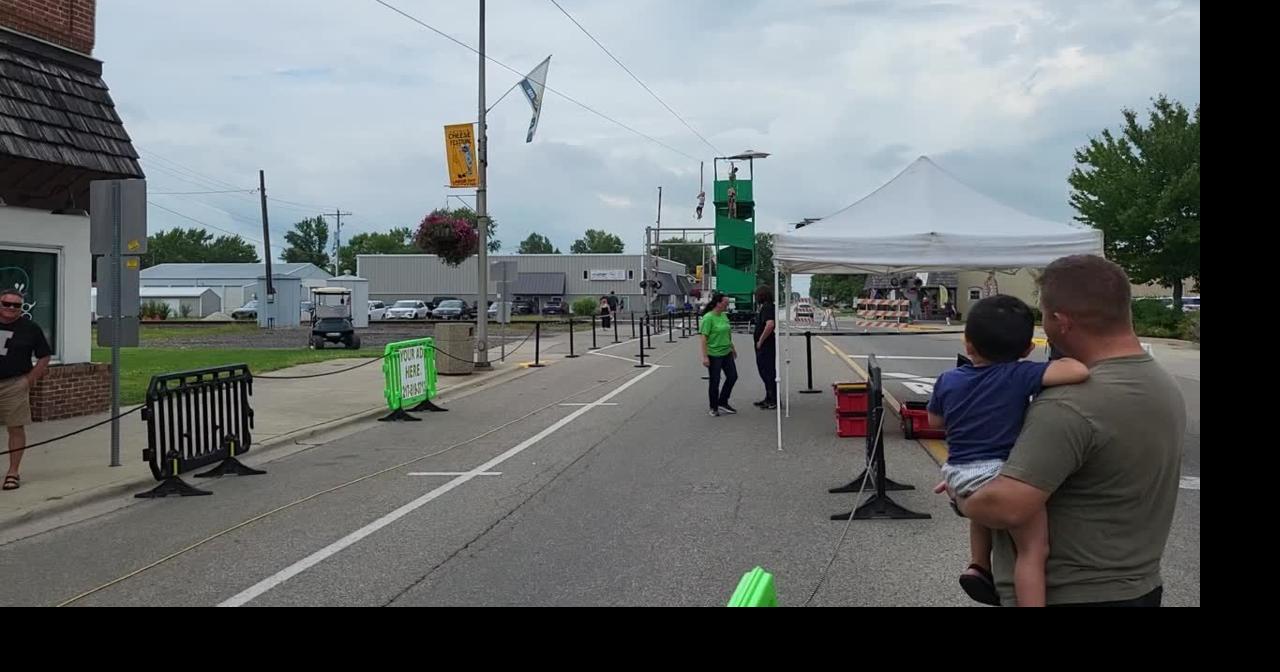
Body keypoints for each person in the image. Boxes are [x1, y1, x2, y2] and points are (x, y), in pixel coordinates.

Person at [951, 255, 1185, 607]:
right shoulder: (1161, 383)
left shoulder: (1068, 404)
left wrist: (960, 495)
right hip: (1141, 588)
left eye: (1043, 315)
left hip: (1069, 593)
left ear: (1061, 321)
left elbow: (1006, 508)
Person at [928, 295, 1090, 606]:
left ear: (968, 344)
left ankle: (978, 565)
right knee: (1032, 551)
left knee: (983, 513)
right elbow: (1077, 371)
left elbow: (935, 421)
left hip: (957, 471)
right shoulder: (1020, 374)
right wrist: (1063, 356)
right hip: (997, 473)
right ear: (1028, 349)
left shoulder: (948, 379)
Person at [0, 288, 52, 492]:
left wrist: (29, 380)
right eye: (6, 303)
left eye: (16, 305)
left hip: (14, 384)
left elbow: (44, 356)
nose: (11, 308)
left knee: (15, 427)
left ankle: (13, 472)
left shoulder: (30, 328)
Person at [699, 293, 738, 417]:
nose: (727, 305)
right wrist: (705, 356)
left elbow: (727, 333)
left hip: (726, 352)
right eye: (725, 303)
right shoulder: (708, 318)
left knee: (732, 376)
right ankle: (713, 406)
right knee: (715, 381)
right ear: (718, 303)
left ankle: (723, 401)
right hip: (714, 353)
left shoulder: (724, 316)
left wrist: (732, 348)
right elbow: (704, 338)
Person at [752, 286, 777, 410]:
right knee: (764, 371)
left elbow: (770, 324)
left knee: (767, 371)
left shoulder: (767, 307)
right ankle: (769, 397)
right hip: (765, 344)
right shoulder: (766, 307)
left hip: (766, 345)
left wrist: (760, 340)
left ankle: (773, 399)